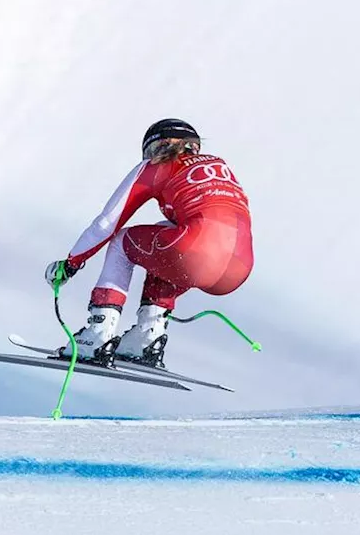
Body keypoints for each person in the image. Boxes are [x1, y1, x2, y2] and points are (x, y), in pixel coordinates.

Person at [43, 118, 253, 370]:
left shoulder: (157, 167)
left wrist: (71, 263)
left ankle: (98, 333)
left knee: (122, 241)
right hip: (237, 270)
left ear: (156, 146)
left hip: (195, 254)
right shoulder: (220, 166)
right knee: (166, 237)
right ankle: (146, 337)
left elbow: (107, 224)